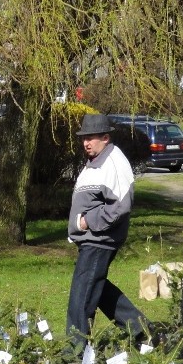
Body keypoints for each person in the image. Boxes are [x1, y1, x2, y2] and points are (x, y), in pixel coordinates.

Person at [66, 113, 148, 346]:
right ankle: (142, 331)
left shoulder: (113, 161)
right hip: (91, 240)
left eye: (91, 138)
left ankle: (75, 352)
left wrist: (87, 221)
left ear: (105, 137)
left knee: (81, 296)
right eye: (83, 138)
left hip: (99, 239)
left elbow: (120, 206)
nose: (86, 143)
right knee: (98, 290)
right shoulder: (97, 160)